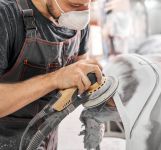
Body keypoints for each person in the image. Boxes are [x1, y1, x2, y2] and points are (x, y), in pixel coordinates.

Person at [0, 0, 103, 149]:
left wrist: (99, 96)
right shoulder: (6, 16)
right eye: (74, 5)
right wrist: (55, 79)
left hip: (47, 138)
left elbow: (82, 74)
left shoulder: (78, 25)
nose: (83, 12)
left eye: (90, 2)